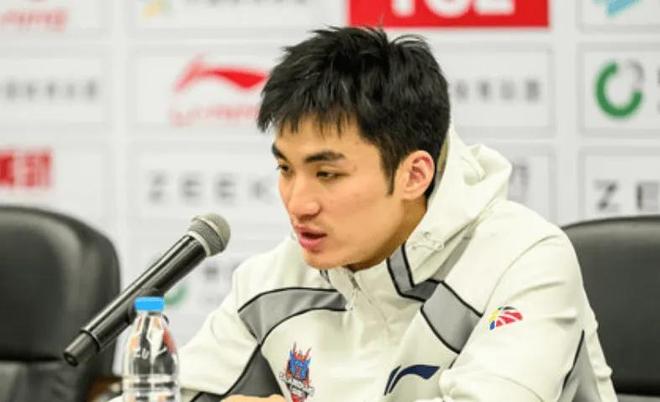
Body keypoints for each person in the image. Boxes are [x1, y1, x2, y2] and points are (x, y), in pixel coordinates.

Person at [176, 27, 617, 402]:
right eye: (285, 169)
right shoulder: (270, 282)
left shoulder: (525, 260)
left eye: (327, 174)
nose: (298, 203)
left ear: (414, 175)